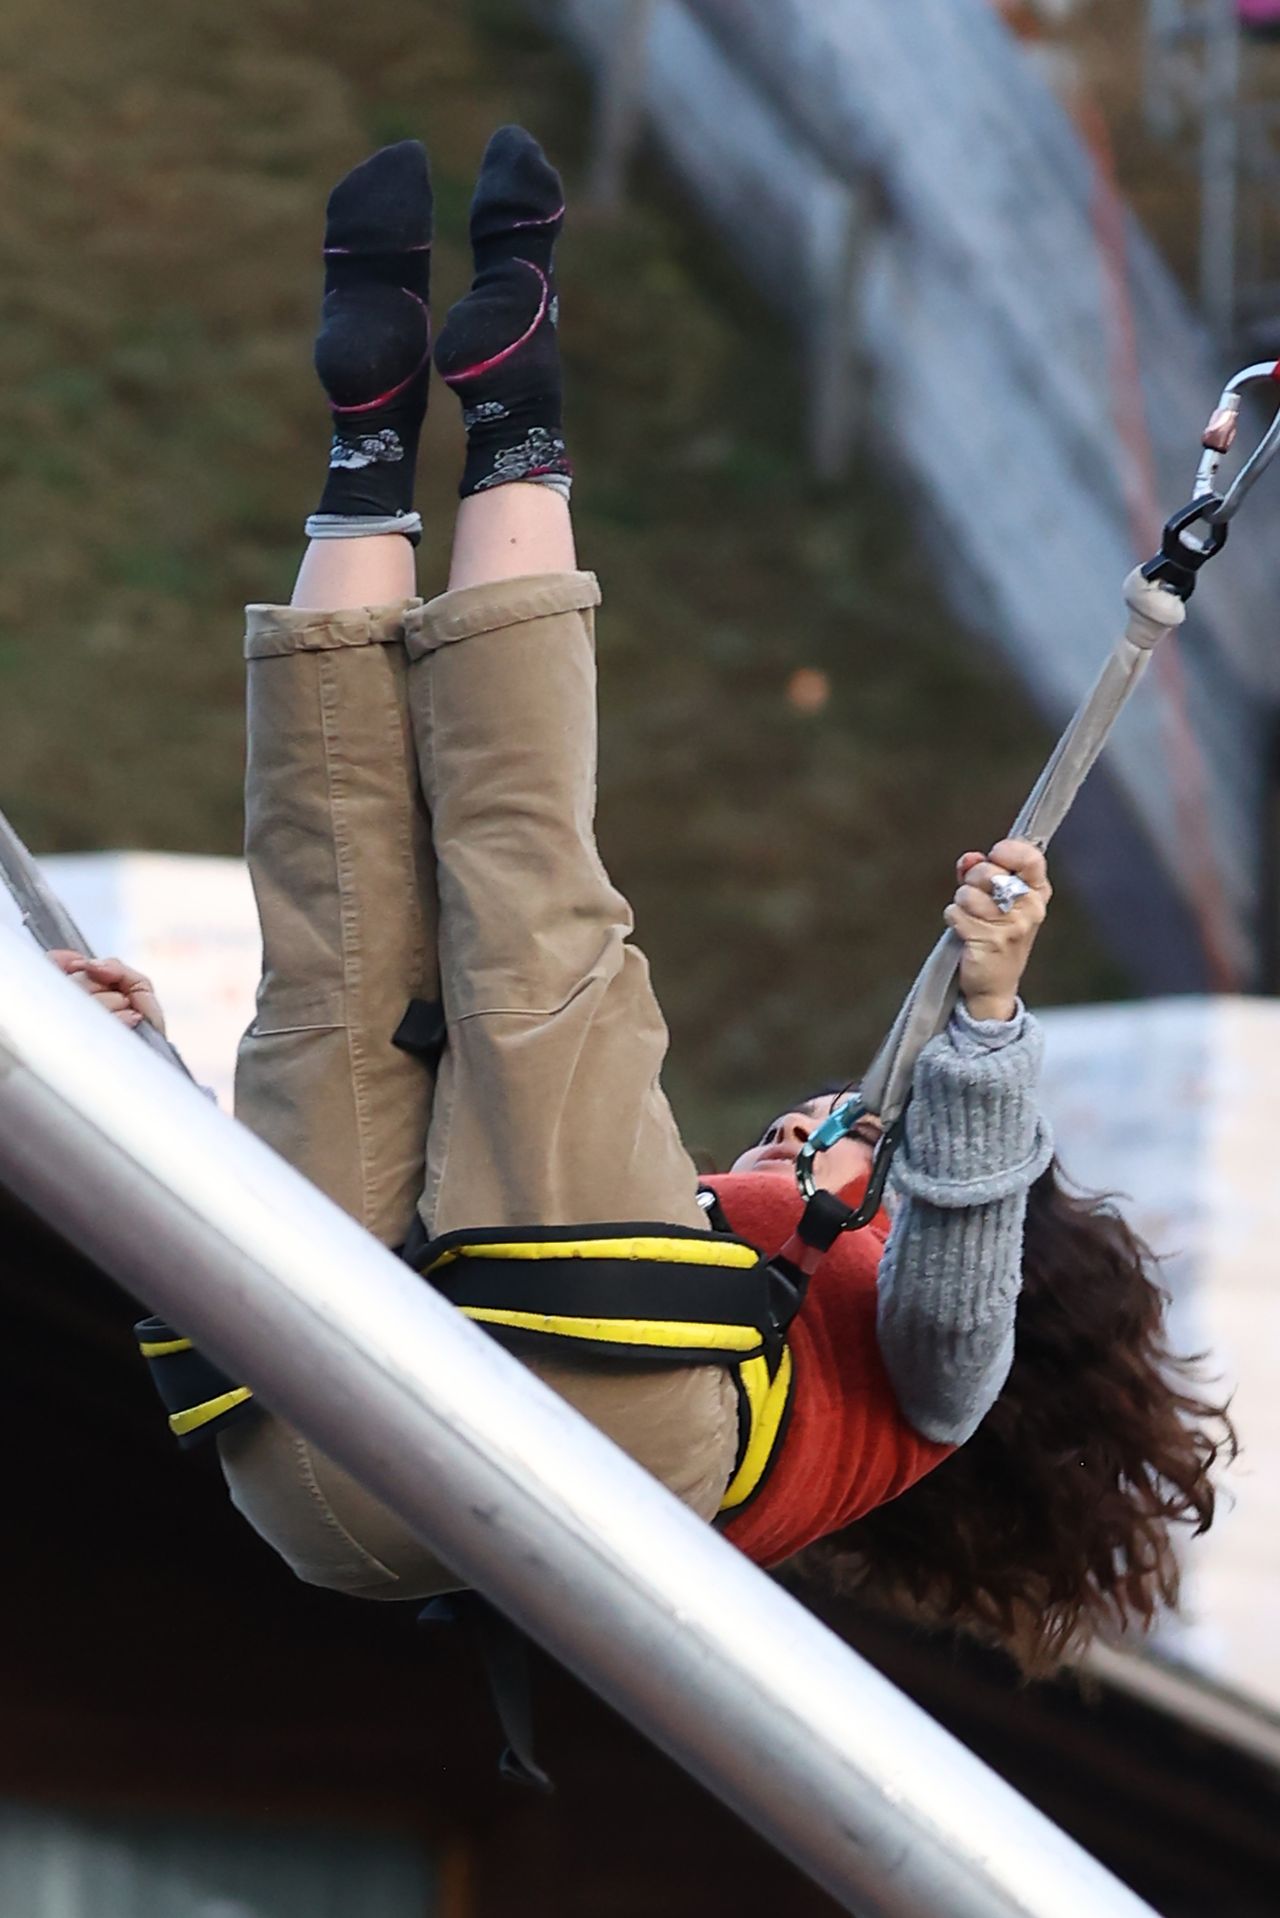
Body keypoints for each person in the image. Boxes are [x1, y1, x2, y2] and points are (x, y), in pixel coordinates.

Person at [54, 130, 1233, 1674]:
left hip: (551, 1408)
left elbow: (961, 1263)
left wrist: (988, 1023)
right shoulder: (869, 1386)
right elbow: (366, 1203)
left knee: (533, 935)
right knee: (350, 953)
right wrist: (148, 1095)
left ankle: (515, 427)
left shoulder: (931, 1380)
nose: (810, 1132)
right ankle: (370, 455)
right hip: (330, 1473)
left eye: (832, 1140)